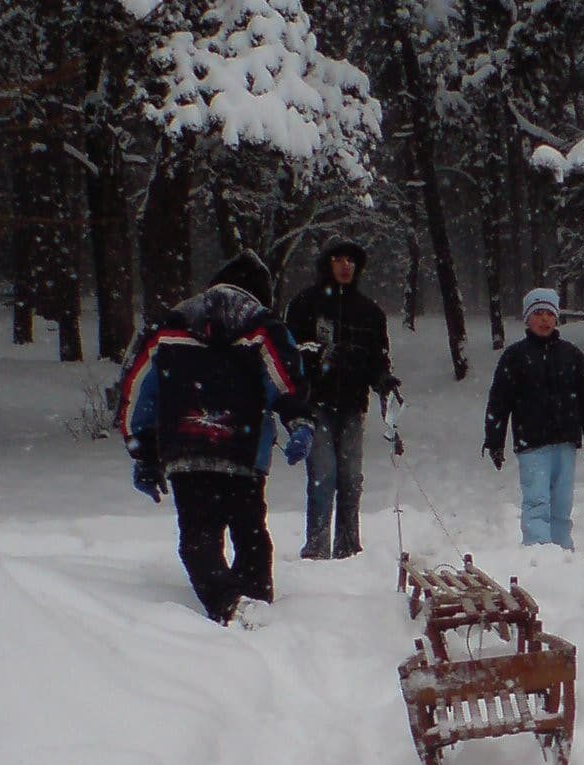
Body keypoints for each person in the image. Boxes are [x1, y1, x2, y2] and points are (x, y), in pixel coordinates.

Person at [116, 250, 314, 625]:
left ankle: (227, 604)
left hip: (187, 449)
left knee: (198, 536)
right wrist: (299, 420)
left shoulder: (169, 324)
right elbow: (285, 377)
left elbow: (137, 384)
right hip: (243, 449)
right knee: (251, 532)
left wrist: (141, 448)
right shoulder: (262, 325)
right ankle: (257, 603)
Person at [284, 236, 400, 559]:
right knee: (323, 474)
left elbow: (378, 359)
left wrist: (383, 382)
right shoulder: (305, 305)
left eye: (351, 260)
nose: (345, 266)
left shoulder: (370, 313)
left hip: (352, 405)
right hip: (315, 404)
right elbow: (289, 354)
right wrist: (318, 360)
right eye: (338, 259)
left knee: (351, 479)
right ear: (327, 264)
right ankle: (317, 547)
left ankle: (348, 549)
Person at [483, 288, 584, 550]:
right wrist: (494, 440)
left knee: (562, 503)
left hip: (565, 442)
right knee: (537, 501)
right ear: (527, 318)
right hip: (532, 444)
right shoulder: (514, 357)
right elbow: (499, 401)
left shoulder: (571, 355)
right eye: (538, 313)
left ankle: (562, 551)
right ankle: (537, 552)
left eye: (549, 313)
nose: (544, 319)